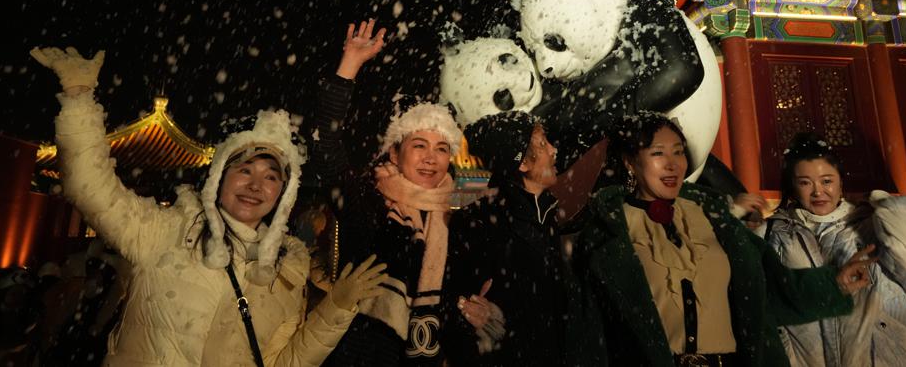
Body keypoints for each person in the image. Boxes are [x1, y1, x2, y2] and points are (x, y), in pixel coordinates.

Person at [31, 45, 387, 367]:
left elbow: (284, 364)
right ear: (218, 176)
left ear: (284, 192)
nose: (254, 186)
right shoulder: (164, 230)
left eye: (271, 177)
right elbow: (90, 186)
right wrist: (79, 97)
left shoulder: (287, 269)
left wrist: (334, 310)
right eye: (243, 169)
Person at [573, 112, 874, 367]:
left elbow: (768, 290)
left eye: (678, 152)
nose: (673, 164)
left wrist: (836, 285)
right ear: (629, 162)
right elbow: (589, 331)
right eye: (657, 153)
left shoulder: (715, 219)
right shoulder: (608, 233)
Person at [313, 20, 463, 366]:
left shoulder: (456, 210)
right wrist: (349, 64)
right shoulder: (367, 198)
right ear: (394, 152)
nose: (430, 158)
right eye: (420, 145)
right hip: (358, 353)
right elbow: (326, 146)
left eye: (442, 148)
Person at [764, 133, 906, 367]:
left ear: (841, 182)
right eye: (805, 182)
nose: (818, 192)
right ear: (793, 187)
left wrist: (884, 204)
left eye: (827, 181)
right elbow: (771, 300)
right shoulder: (777, 234)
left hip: (884, 358)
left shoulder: (869, 225)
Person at [443, 110, 579, 366]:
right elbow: (460, 305)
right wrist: (485, 321)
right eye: (541, 144)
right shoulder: (482, 223)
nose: (553, 150)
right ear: (521, 163)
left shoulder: (545, 214)